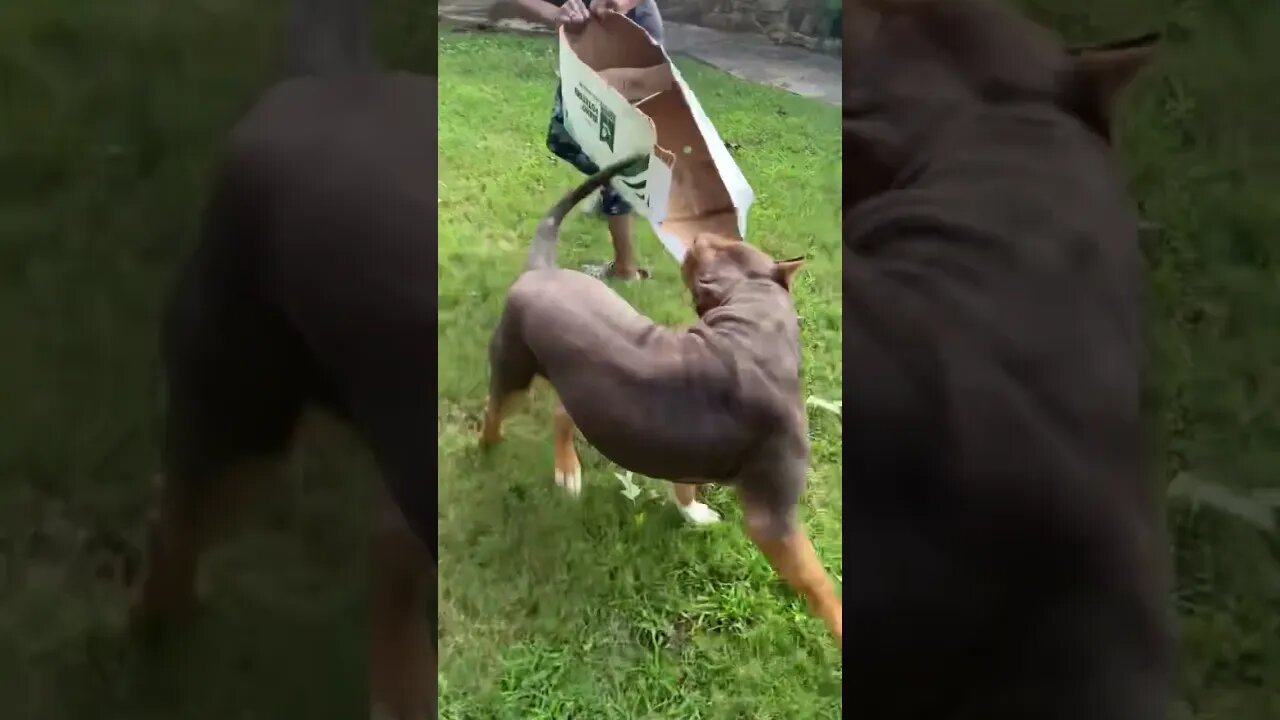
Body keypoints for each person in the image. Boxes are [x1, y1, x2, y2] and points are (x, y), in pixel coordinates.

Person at [508, 0, 666, 280]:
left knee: (613, 150)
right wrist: (556, 14)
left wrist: (618, 3)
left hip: (628, 35)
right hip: (585, 39)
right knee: (564, 135)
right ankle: (617, 186)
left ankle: (625, 269)